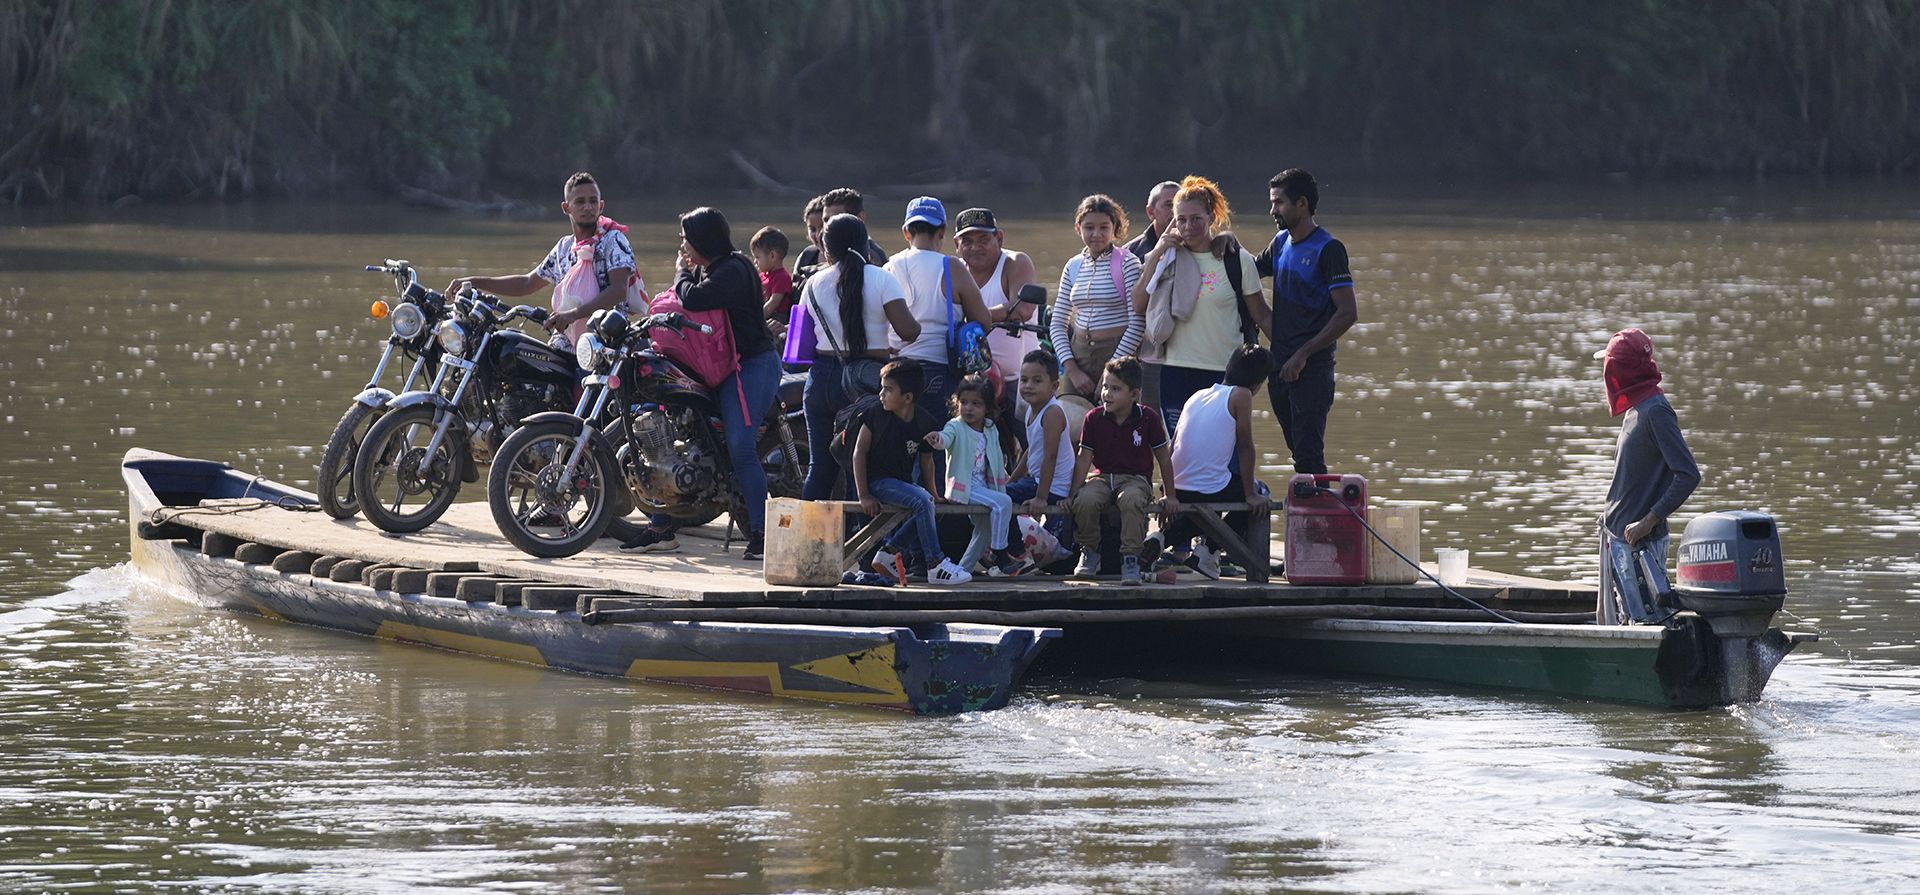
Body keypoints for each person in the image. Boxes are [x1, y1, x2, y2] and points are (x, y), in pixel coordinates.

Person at [619, 208, 783, 560]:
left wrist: (681, 271)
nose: (682, 245)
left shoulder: (734, 270)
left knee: (740, 446)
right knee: (668, 432)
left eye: (685, 239)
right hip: (719, 363)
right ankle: (661, 526)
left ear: (703, 240)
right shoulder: (710, 268)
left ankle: (762, 534)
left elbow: (692, 298)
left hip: (751, 365)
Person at [1135, 175, 1273, 436]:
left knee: (1224, 450)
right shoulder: (1167, 258)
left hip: (1224, 372)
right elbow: (1139, 304)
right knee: (1181, 449)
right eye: (1181, 219)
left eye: (1196, 218)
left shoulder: (1236, 259)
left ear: (1211, 218)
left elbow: (1262, 315)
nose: (1189, 226)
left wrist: (1290, 356)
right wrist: (1156, 254)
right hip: (1174, 370)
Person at [444, 171, 643, 349]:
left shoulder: (613, 240)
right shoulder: (563, 248)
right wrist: (473, 282)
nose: (588, 207)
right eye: (580, 202)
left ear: (601, 206)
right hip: (566, 341)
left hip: (604, 344)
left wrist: (573, 314)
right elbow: (526, 284)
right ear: (566, 208)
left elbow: (618, 290)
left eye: (593, 201)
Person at [797, 214, 921, 500]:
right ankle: (859, 544)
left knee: (821, 469)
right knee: (862, 468)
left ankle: (805, 541)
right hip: (865, 383)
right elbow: (908, 331)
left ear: (826, 250)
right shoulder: (882, 279)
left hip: (820, 380)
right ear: (866, 244)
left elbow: (801, 343)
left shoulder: (812, 284)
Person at [1254, 168, 1358, 475]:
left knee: (1310, 456)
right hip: (1281, 365)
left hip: (1311, 369)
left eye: (1279, 203)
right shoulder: (1280, 242)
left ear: (1302, 204)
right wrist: (1224, 244)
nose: (1273, 210)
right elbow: (1249, 269)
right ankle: (1308, 516)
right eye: (1272, 203)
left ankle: (1319, 519)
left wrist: (1303, 354)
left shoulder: (1328, 249)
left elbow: (1347, 313)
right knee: (1298, 452)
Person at [1595, 328, 1699, 624]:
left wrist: (1646, 522)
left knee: (1651, 623)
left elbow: (1688, 474)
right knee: (1627, 623)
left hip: (1640, 547)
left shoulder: (1656, 412)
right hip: (1618, 542)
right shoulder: (1636, 408)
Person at [858, 360, 974, 586]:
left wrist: (934, 494)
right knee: (923, 502)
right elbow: (858, 454)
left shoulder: (924, 422)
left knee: (930, 504)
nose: (881, 394)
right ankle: (935, 563)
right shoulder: (875, 415)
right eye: (882, 388)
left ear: (907, 398)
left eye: (888, 389)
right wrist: (863, 494)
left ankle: (890, 551)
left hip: (902, 485)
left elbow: (927, 462)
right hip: (877, 483)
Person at [1164, 344, 1275, 579]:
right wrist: (1250, 495)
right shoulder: (1241, 395)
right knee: (1261, 493)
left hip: (1178, 486)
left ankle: (1159, 538)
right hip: (1207, 490)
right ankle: (1209, 551)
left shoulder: (1198, 395)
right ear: (1258, 383)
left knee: (1203, 503)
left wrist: (1169, 489)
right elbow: (1246, 447)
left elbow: (1173, 446)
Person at [1066, 356, 1178, 586]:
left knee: (1132, 500)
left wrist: (1171, 494)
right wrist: (1072, 494)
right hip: (1102, 476)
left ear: (1134, 394)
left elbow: (1164, 459)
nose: (1107, 393)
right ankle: (1090, 550)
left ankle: (1130, 558)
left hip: (1134, 479)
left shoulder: (1148, 419)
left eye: (1116, 389)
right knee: (1085, 500)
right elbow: (1084, 458)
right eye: (1105, 386)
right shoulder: (1094, 418)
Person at [884, 197, 995, 424]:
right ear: (943, 231)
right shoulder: (952, 267)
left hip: (895, 373)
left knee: (899, 448)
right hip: (938, 372)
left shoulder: (888, 267)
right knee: (937, 447)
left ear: (906, 232)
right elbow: (983, 321)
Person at [926, 376, 1032, 577]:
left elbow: (996, 458)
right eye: (964, 402)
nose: (968, 408)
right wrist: (937, 439)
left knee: (983, 532)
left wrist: (1003, 480)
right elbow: (945, 438)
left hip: (985, 488)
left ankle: (961, 572)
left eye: (976, 404)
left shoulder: (990, 428)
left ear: (987, 408)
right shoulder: (955, 426)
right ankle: (1000, 552)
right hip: (965, 488)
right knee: (1004, 502)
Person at [1049, 195, 1145, 402]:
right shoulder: (1073, 265)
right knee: (1073, 424)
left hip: (1118, 355)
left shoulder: (1128, 263)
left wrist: (1111, 371)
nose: (1096, 234)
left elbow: (1137, 323)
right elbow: (1057, 323)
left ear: (1114, 228)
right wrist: (1071, 369)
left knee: (1114, 425)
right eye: (1089, 227)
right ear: (1078, 227)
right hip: (1079, 356)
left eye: (1104, 227)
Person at [952, 207, 1040, 394]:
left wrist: (976, 318)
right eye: (967, 242)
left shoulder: (1015, 262)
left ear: (999, 238)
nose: (975, 247)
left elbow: (1023, 309)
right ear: (956, 245)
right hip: (971, 380)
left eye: (983, 240)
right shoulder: (954, 270)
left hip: (1019, 380)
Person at [1123, 181, 1181, 409]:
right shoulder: (1131, 254)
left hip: (1192, 354)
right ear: (1150, 212)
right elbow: (1130, 309)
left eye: (1179, 204)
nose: (1175, 212)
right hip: (1149, 359)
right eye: (1168, 205)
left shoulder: (1201, 245)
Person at [1008, 348, 1074, 543]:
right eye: (1024, 379)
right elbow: (1031, 451)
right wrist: (1011, 480)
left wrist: (1041, 498)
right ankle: (1015, 547)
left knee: (1001, 499)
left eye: (1037, 381)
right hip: (1040, 481)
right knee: (1002, 494)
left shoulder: (1052, 413)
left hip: (1053, 488)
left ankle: (1014, 550)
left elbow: (1050, 456)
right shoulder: (1031, 409)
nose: (1028, 386)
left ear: (1054, 386)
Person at [792, 187, 890, 282]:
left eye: (835, 219)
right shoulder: (808, 256)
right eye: (826, 220)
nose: (827, 227)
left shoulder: (874, 258)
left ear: (860, 218)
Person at [750, 226, 794, 322]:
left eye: (757, 257)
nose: (755, 262)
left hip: (776, 317)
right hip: (763, 312)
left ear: (772, 256)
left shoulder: (782, 277)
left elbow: (773, 302)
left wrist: (757, 318)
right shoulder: (762, 276)